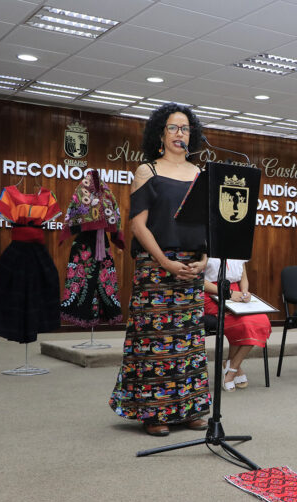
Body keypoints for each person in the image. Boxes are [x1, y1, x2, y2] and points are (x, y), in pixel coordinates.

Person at [108, 103, 211, 436]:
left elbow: (207, 226)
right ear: (160, 134)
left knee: (189, 341)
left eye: (185, 128)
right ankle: (157, 413)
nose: (180, 134)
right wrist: (165, 262)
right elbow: (138, 225)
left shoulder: (199, 175)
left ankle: (190, 408)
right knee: (157, 341)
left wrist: (205, 260)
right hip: (156, 267)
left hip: (192, 266)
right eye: (173, 128)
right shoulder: (147, 171)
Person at [203, 258, 272, 390]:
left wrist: (245, 292)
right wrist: (229, 293)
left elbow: (243, 278)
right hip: (212, 294)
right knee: (244, 323)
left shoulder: (238, 248)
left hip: (236, 293)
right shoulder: (208, 248)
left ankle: (232, 365)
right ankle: (232, 370)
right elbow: (200, 281)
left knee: (262, 321)